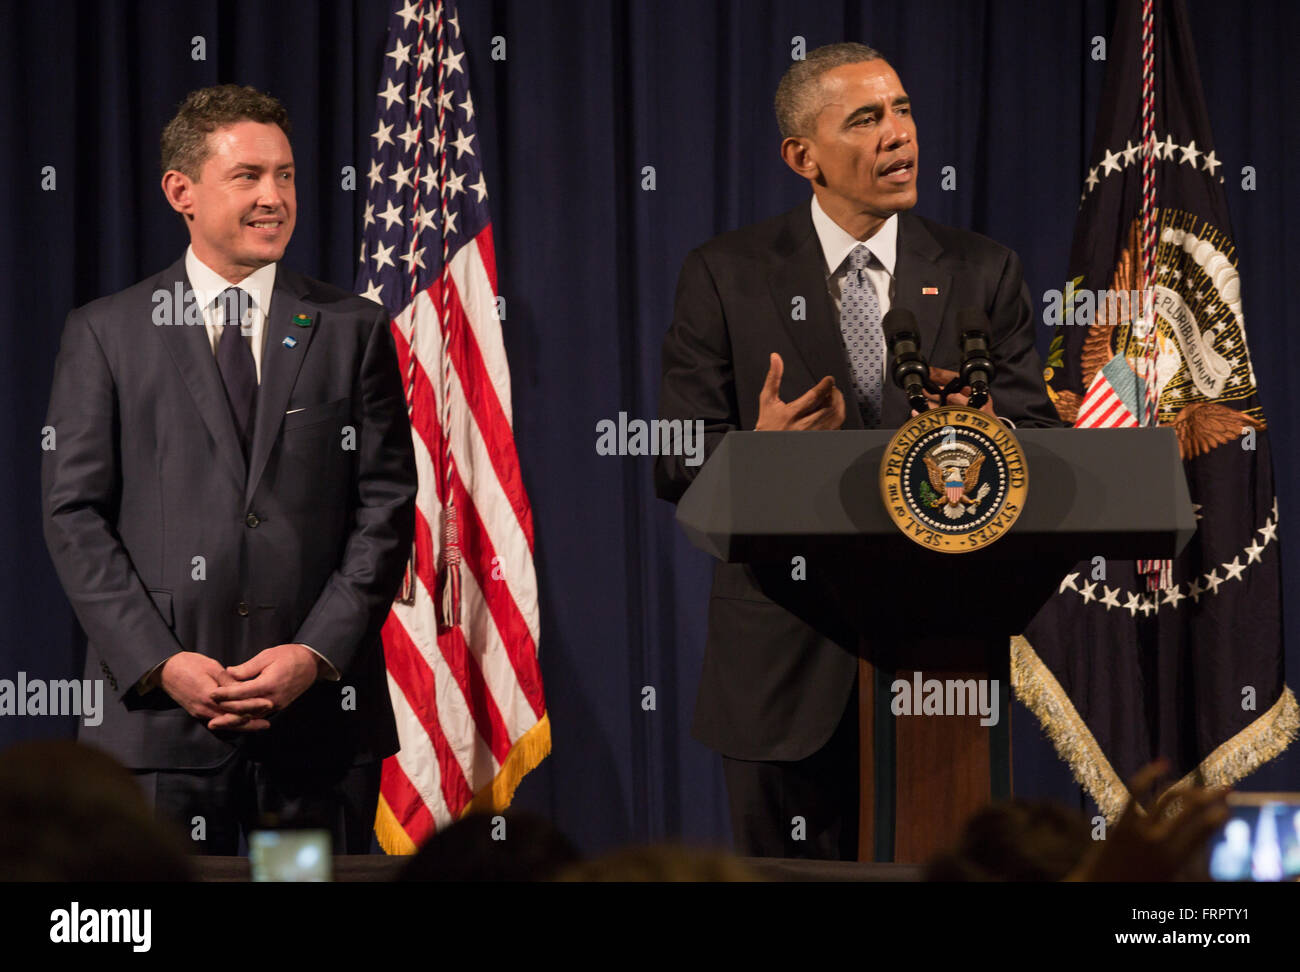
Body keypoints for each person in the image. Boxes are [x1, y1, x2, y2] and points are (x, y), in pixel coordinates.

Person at [654, 43, 1059, 860]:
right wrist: (757, 456)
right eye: (866, 119)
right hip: (782, 667)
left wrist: (986, 431)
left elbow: (1037, 442)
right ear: (802, 156)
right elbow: (676, 457)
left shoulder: (983, 271)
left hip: (940, 658)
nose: (898, 135)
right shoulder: (726, 274)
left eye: (903, 110)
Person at [41, 84, 417, 855]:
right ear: (181, 190)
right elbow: (74, 515)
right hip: (157, 733)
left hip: (313, 733)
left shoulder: (352, 329)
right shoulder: (107, 333)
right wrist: (161, 661)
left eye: (284, 176)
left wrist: (313, 656)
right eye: (247, 176)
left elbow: (386, 508)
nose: (273, 197)